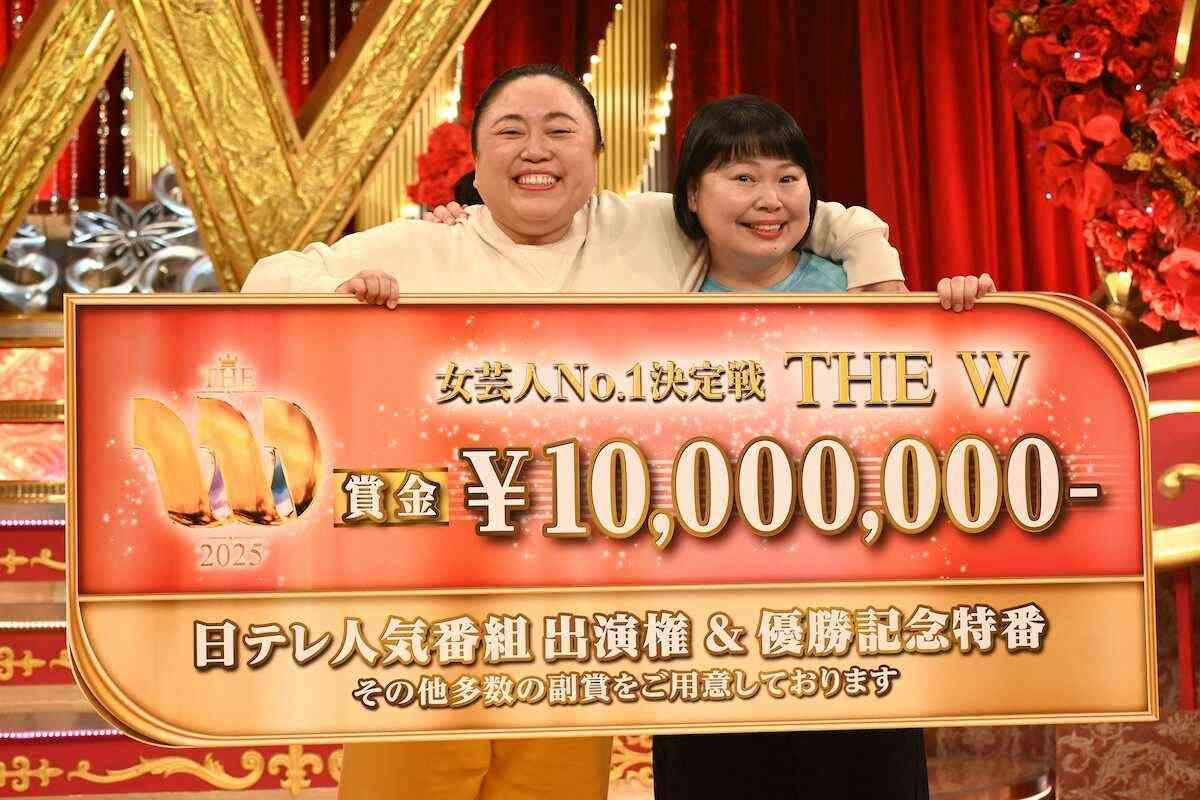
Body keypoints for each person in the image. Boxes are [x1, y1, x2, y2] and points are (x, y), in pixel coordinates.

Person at [243, 64, 911, 800]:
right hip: (431, 597)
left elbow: (796, 212)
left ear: (596, 156)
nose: (536, 149)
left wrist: (876, 269)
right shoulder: (419, 245)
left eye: (559, 131)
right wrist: (340, 292)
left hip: (575, 602)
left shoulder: (650, 227)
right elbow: (266, 280)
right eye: (511, 131)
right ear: (476, 159)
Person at [651, 94, 994, 799]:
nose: (769, 199)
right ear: (691, 195)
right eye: (742, 178)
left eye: (788, 177)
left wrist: (964, 316)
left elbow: (936, 414)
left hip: (856, 625)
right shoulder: (649, 302)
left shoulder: (863, 291)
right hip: (707, 638)